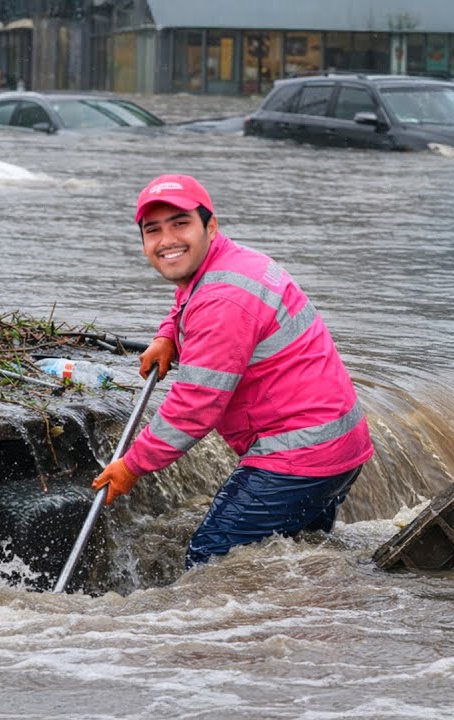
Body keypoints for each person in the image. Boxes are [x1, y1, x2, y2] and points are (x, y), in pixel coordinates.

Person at [91, 174, 375, 567]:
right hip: (338, 445)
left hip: (299, 454)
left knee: (211, 563)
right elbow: (187, 297)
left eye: (180, 223)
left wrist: (132, 465)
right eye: (153, 230)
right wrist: (168, 334)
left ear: (210, 226)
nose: (167, 240)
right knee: (298, 560)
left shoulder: (224, 299)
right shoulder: (230, 261)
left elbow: (194, 407)